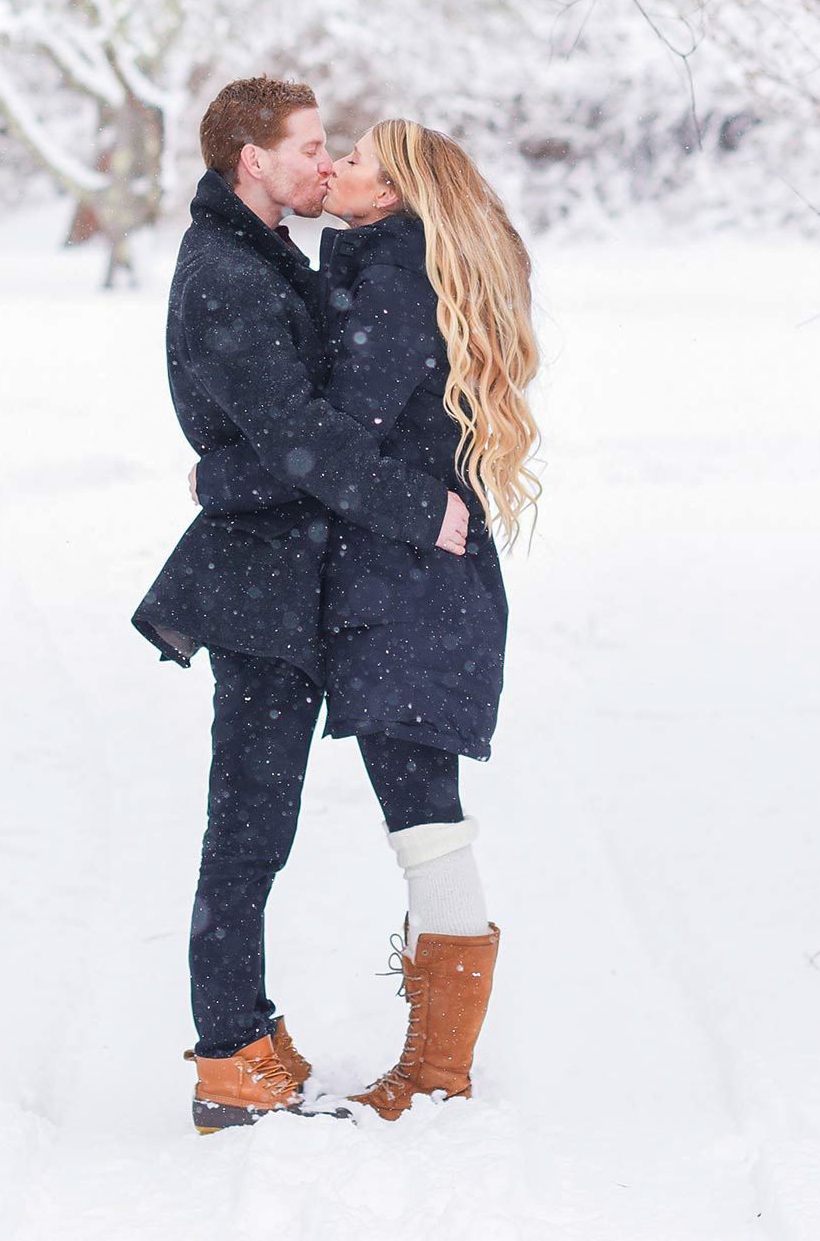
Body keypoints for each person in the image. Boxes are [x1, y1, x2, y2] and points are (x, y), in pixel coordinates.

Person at [132, 78, 471, 1134]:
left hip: (291, 570)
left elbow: (309, 422)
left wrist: (223, 477)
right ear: (253, 159)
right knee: (247, 828)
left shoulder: (270, 250)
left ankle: (246, 1034)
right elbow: (304, 443)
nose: (327, 163)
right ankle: (229, 1057)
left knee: (259, 824)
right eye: (313, 147)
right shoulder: (228, 274)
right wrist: (419, 507)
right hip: (258, 589)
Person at [193, 118, 540, 1121]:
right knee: (425, 817)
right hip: (410, 583)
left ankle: (435, 1070)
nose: (335, 164)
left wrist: (221, 477)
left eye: (354, 160)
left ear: (388, 196)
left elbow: (339, 438)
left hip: (409, 589)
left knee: (425, 823)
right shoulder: (388, 268)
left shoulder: (392, 280)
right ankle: (434, 1062)